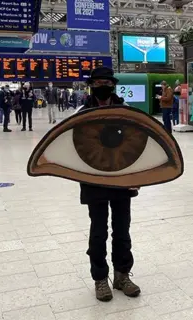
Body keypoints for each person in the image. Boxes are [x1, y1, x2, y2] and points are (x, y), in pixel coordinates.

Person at [78, 67, 141, 302]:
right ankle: (100, 279)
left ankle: (122, 275)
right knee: (98, 232)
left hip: (122, 181)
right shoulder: (82, 114)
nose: (102, 85)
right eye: (97, 82)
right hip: (94, 182)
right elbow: (78, 150)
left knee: (122, 231)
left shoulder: (125, 113)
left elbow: (135, 146)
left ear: (113, 85)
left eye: (106, 81)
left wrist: (136, 178)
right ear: (91, 85)